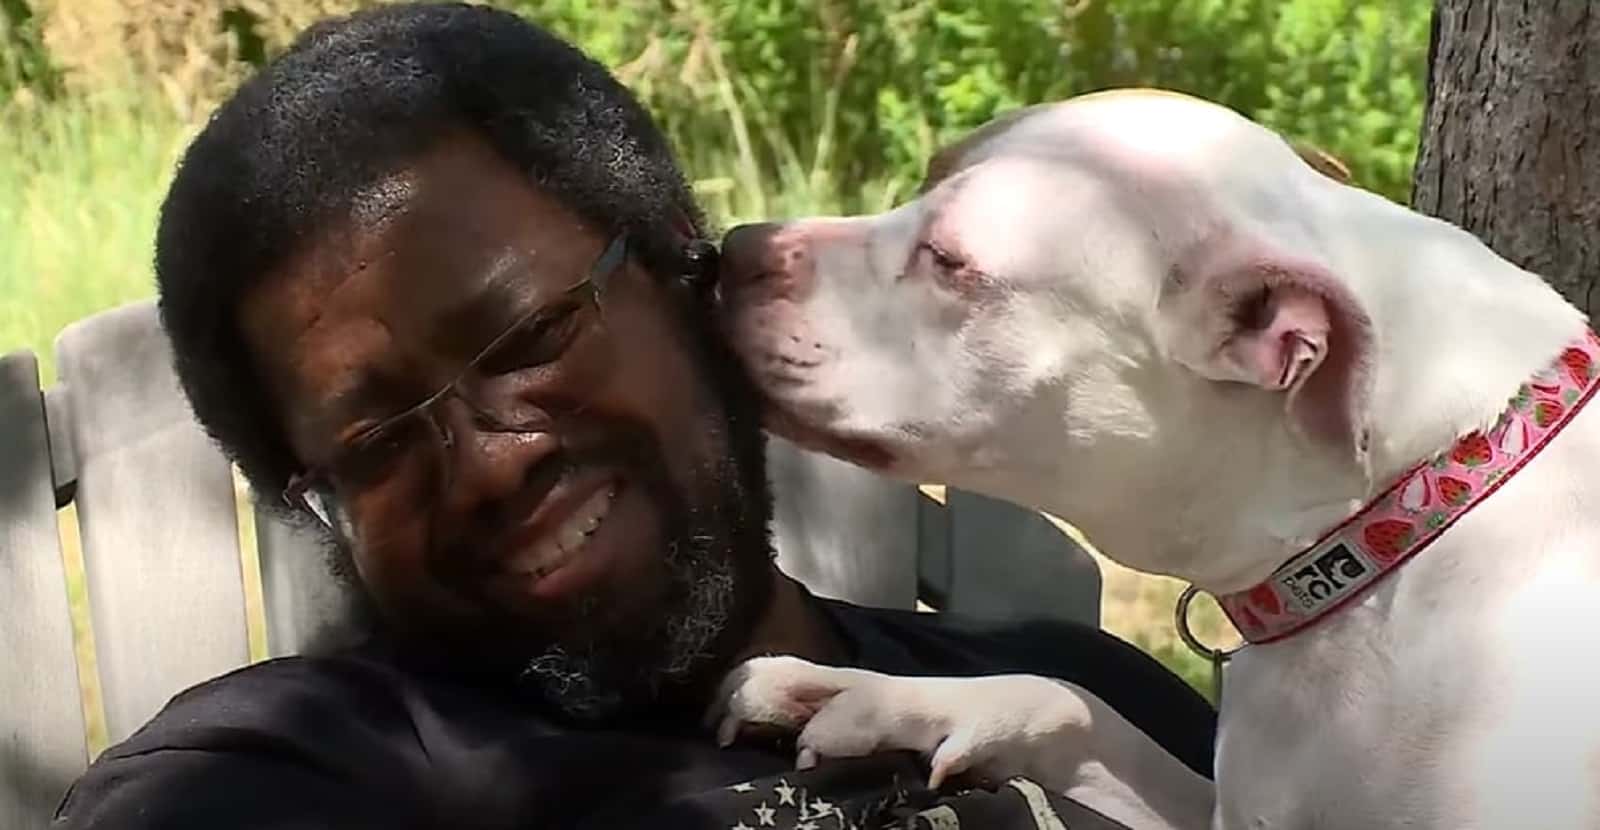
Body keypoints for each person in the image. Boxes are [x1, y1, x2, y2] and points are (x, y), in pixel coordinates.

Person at [52, 4, 1215, 828]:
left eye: (532, 334)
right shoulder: (267, 777)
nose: (491, 463)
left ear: (678, 264)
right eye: (378, 442)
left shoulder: (1088, 705)